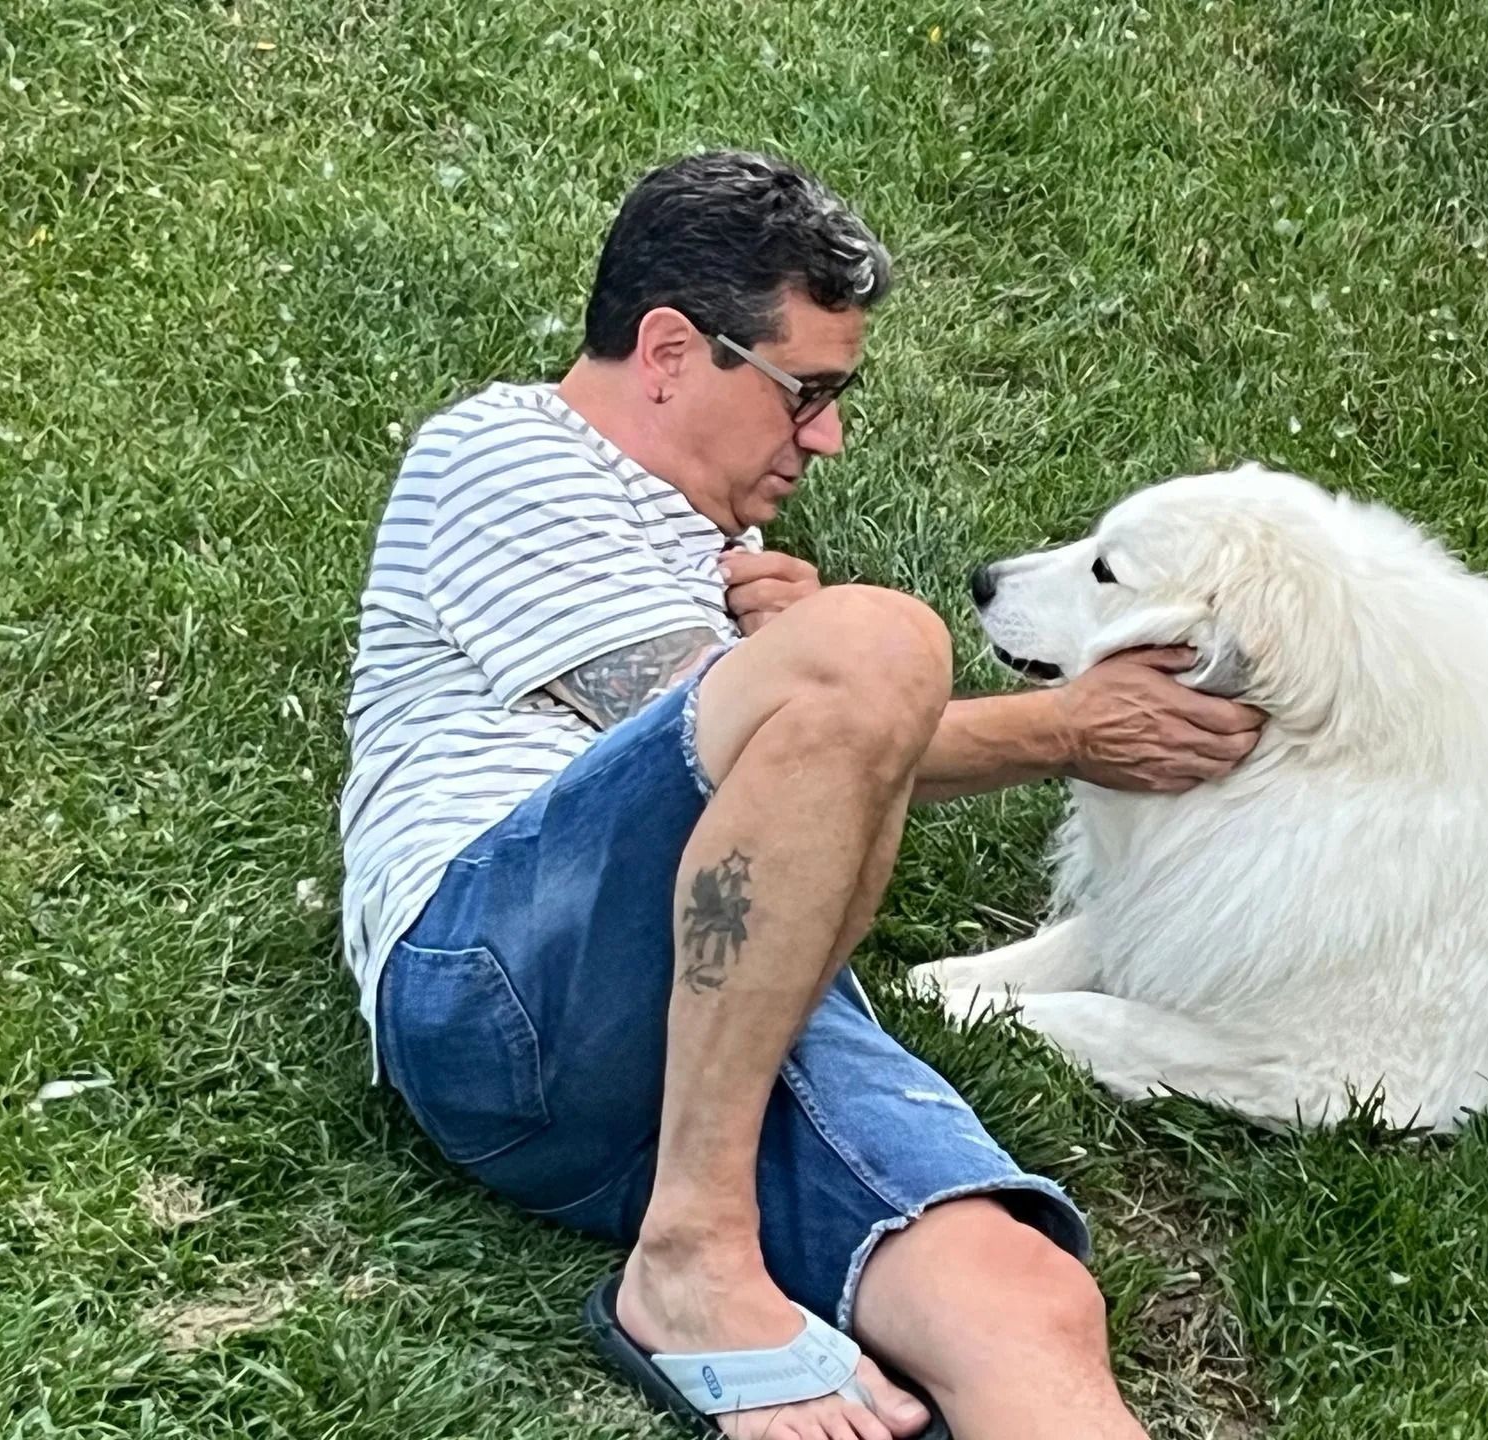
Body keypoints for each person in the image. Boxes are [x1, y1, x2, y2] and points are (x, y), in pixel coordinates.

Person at [340, 149, 1264, 1440]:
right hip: (495, 998)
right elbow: (722, 733)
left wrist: (795, 654)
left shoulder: (733, 558)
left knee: (1031, 1304)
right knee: (883, 647)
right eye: (804, 392)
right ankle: (693, 1258)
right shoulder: (501, 457)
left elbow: (774, 773)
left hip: (729, 1028)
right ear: (666, 352)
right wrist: (1060, 725)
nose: (825, 435)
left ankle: (727, 1246)